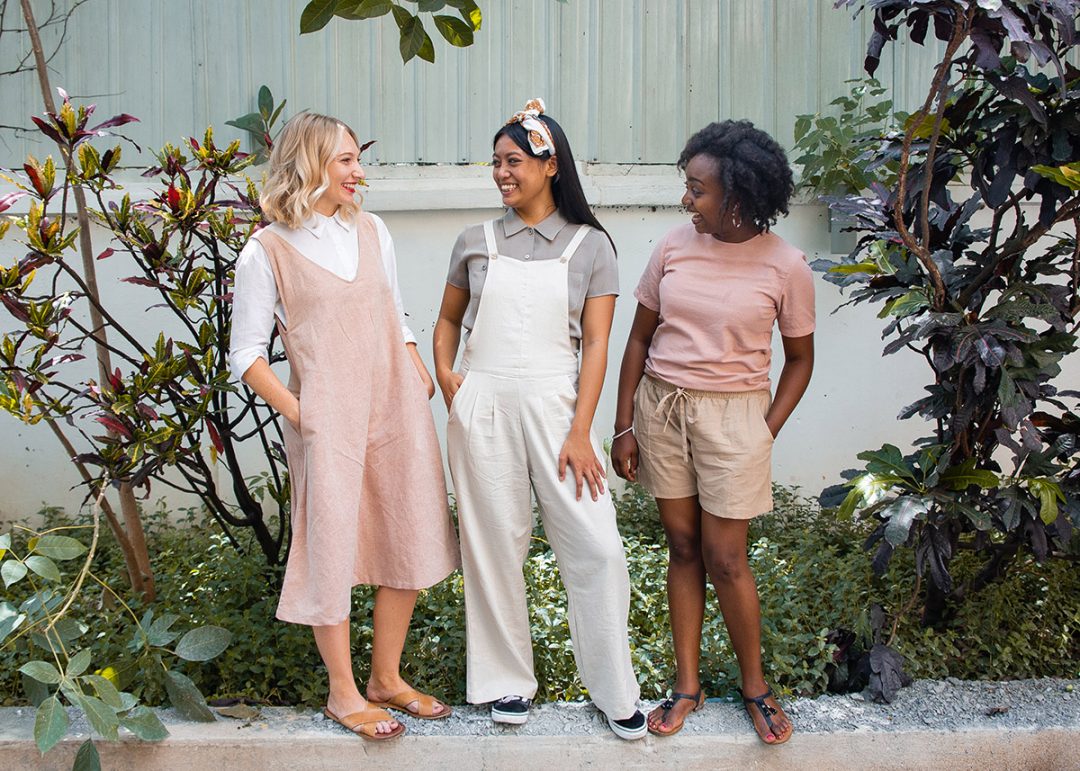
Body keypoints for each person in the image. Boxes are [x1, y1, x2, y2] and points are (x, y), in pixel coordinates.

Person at [229, 112, 460, 741]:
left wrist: (416, 375)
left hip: (394, 405)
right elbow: (245, 354)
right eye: (346, 161)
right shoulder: (266, 249)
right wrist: (304, 415)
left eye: (358, 160)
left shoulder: (373, 230)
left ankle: (387, 677)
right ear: (309, 166)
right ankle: (344, 691)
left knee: (406, 531)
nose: (360, 172)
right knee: (330, 545)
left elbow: (394, 312)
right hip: (327, 418)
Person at [432, 98, 646, 740]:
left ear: (551, 166)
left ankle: (614, 690)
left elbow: (599, 345)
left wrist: (582, 431)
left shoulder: (591, 246)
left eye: (514, 160)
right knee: (494, 545)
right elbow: (447, 320)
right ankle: (505, 684)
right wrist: (451, 382)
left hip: (559, 408)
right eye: (496, 162)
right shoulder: (475, 241)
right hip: (484, 403)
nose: (501, 172)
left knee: (599, 548)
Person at [610, 120, 814, 745]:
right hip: (662, 408)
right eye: (686, 187)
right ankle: (687, 686)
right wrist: (623, 426)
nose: (685, 200)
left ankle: (756, 688)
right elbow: (639, 338)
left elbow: (801, 360)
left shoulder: (785, 265)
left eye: (697, 190)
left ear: (737, 196)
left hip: (735, 418)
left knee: (727, 559)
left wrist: (765, 431)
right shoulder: (672, 246)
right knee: (683, 548)